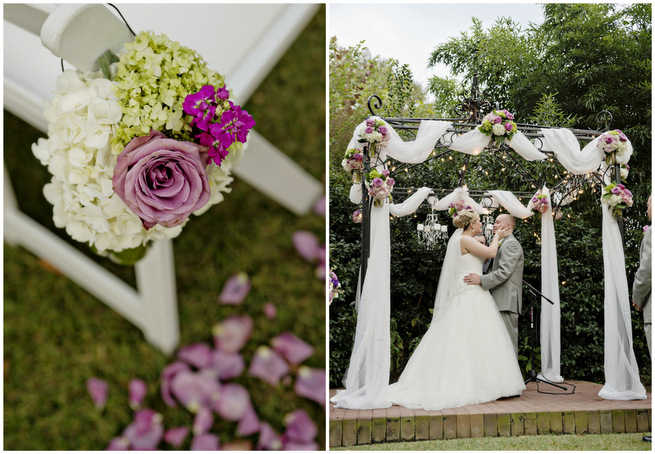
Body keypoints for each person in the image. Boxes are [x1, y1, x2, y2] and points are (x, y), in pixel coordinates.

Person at [387, 209, 525, 411]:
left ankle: (490, 383)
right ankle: (479, 383)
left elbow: (493, 261)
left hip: (480, 294)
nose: (485, 225)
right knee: (469, 340)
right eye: (479, 222)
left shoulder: (485, 242)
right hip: (471, 294)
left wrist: (487, 243)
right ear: (471, 225)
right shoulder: (466, 240)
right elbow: (491, 254)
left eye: (496, 222)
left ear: (509, 226)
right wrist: (495, 237)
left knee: (481, 341)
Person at [464, 214, 524, 357]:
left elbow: (504, 272)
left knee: (507, 342)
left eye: (498, 222)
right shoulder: (502, 242)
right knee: (497, 343)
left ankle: (511, 379)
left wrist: (481, 280)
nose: (494, 225)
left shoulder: (511, 244)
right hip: (498, 299)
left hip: (506, 301)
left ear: (508, 226)